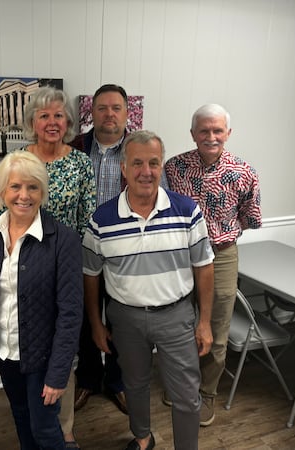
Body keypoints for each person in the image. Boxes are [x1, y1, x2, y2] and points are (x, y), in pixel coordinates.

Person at [83, 130, 214, 450]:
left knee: (186, 393)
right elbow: (91, 275)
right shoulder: (101, 220)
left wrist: (205, 321)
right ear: (123, 169)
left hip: (177, 315)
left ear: (161, 166)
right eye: (137, 163)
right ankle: (143, 438)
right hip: (124, 320)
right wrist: (97, 324)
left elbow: (204, 267)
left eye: (154, 163)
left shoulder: (187, 211)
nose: (146, 171)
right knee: (135, 384)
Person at [0, 86, 95, 447]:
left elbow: (86, 221)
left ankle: (64, 433)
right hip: (18, 270)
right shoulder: (16, 161)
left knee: (50, 398)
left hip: (62, 263)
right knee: (26, 410)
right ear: (32, 121)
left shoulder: (80, 163)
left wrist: (64, 260)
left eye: (59, 115)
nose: (52, 122)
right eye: (44, 115)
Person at [69, 84, 169, 415]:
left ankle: (116, 382)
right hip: (80, 250)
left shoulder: (140, 150)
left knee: (119, 320)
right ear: (91, 113)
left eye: (116, 108)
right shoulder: (75, 149)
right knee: (85, 318)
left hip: (126, 252)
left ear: (127, 113)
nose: (109, 114)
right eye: (102, 108)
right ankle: (87, 379)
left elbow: (158, 197)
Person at [0, 151, 83, 450]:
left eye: (33, 187)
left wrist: (59, 373)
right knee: (21, 417)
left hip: (43, 359)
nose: (24, 195)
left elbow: (71, 314)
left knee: (46, 428)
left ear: (43, 192)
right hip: (5, 352)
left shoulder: (63, 240)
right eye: (15, 187)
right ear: (1, 192)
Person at [164, 104, 262, 427]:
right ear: (193, 133)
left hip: (221, 255)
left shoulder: (244, 172)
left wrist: (219, 235)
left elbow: (250, 218)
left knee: (216, 328)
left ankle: (207, 393)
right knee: (180, 324)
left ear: (228, 133)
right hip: (181, 255)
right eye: (204, 130)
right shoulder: (174, 167)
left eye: (217, 130)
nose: (211, 137)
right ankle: (180, 384)